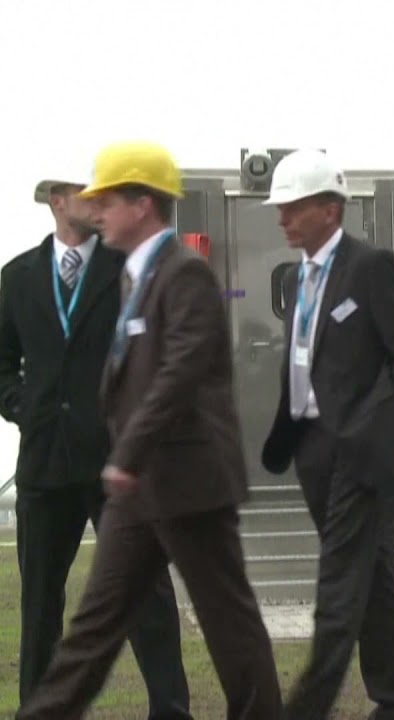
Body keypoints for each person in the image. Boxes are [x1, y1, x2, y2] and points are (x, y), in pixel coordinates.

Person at [16, 141, 283, 720]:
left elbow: (179, 372)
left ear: (142, 204)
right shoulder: (135, 277)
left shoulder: (183, 274)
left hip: (190, 483)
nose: (98, 210)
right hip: (140, 489)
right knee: (93, 629)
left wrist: (126, 452)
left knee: (230, 627)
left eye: (107, 200)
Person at [0, 169, 192, 718]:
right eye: (91, 194)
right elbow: (3, 364)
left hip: (118, 463)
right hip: (45, 466)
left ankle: (171, 710)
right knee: (41, 603)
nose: (103, 203)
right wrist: (25, 408)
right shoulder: (17, 277)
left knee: (146, 597)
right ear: (59, 201)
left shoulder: (129, 270)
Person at [260, 149, 394, 720]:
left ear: (330, 209)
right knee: (372, 579)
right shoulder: (295, 279)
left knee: (336, 591)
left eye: (293, 207)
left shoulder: (371, 268)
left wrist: (375, 431)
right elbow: (303, 361)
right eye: (280, 207)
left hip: (361, 455)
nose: (282, 218)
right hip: (313, 455)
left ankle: (304, 710)